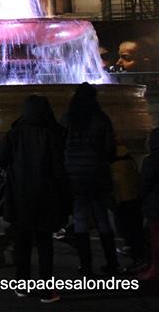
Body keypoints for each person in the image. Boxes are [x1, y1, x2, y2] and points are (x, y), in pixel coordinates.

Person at [0, 95, 69, 303]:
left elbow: (1, 159)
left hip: (20, 196)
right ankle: (47, 291)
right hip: (46, 197)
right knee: (45, 244)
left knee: (22, 243)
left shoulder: (14, 133)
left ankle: (22, 285)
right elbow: (59, 169)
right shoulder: (52, 133)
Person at [61, 83, 119, 275]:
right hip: (97, 172)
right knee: (102, 216)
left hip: (75, 174)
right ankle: (112, 263)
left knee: (80, 218)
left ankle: (86, 266)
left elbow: (60, 144)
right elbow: (110, 148)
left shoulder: (68, 119)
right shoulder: (101, 119)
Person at [110, 136, 145, 273]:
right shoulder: (127, 158)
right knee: (135, 228)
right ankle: (137, 254)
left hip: (120, 198)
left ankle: (136, 255)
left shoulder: (110, 159)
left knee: (125, 227)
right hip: (133, 196)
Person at [139, 127, 159, 280]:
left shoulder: (151, 161)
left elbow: (144, 184)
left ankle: (155, 268)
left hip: (155, 207)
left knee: (155, 239)